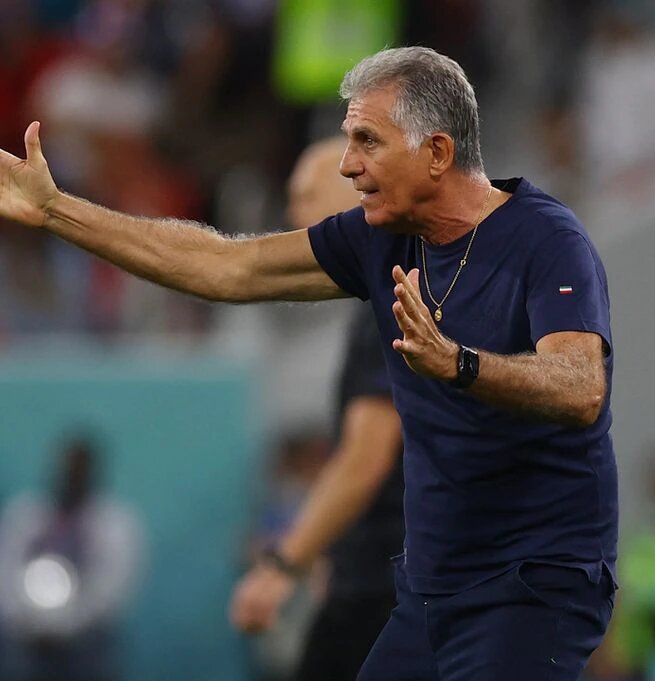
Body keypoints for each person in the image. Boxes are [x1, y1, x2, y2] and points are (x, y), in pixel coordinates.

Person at [0, 46, 618, 680]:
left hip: (532, 581)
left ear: (438, 152)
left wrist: (462, 364)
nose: (348, 167)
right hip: (432, 588)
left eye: (367, 142)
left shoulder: (546, 239)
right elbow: (226, 266)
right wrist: (58, 212)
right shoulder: (379, 241)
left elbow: (581, 384)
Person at [229, 137, 404, 681]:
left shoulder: (389, 305)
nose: (291, 214)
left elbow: (368, 456)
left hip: (386, 588)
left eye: (305, 194)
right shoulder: (389, 297)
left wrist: (287, 563)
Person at [0, 435, 142, 681]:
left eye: (79, 468)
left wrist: (63, 627)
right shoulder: (25, 514)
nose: (72, 474)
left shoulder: (114, 523)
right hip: (24, 643)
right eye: (67, 466)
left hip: (86, 648)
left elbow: (112, 588)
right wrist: (24, 622)